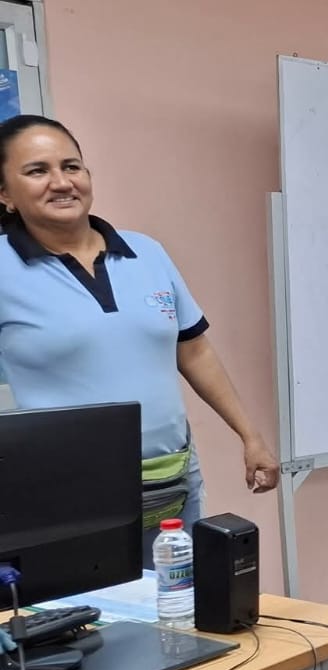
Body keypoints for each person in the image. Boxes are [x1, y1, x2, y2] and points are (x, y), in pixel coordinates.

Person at [0, 115, 280, 564]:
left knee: (178, 599)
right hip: (65, 491)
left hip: (170, 482)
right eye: (37, 171)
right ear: (5, 194)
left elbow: (195, 351)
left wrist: (250, 436)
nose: (61, 182)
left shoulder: (145, 252)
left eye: (71, 166)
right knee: (88, 604)